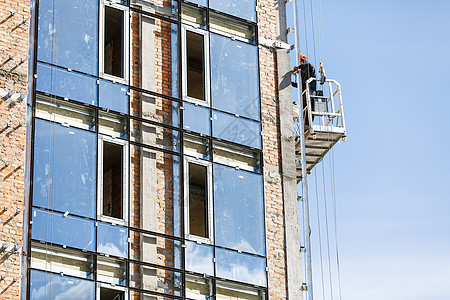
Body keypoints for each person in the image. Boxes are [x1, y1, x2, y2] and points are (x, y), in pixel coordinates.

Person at [292, 55, 316, 126]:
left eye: (301, 62)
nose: (301, 64)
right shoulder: (302, 74)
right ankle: (305, 123)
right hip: (304, 92)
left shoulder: (309, 67)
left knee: (310, 106)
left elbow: (309, 65)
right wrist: (290, 83)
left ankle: (309, 122)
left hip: (310, 90)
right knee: (304, 107)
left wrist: (298, 67)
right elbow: (299, 85)